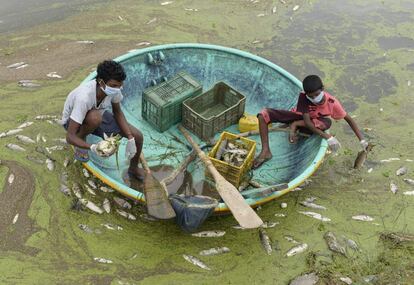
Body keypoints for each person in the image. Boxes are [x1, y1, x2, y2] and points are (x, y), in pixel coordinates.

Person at [253, 74, 368, 169]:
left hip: (315, 122)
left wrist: (361, 139)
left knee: (327, 123)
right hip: (300, 118)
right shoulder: (304, 97)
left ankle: (295, 125)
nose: (314, 99)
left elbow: (348, 119)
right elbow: (307, 121)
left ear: (322, 89)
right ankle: (266, 151)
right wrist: (327, 137)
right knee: (263, 115)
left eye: (317, 95)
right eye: (311, 96)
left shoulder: (332, 103)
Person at [61, 60, 145, 180]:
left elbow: (118, 112)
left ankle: (133, 169)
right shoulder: (84, 98)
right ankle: (81, 140)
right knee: (95, 118)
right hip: (73, 121)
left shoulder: (114, 90)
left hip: (97, 114)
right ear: (101, 82)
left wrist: (130, 137)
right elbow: (69, 137)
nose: (118, 89)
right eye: (114, 85)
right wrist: (92, 147)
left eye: (120, 85)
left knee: (138, 136)